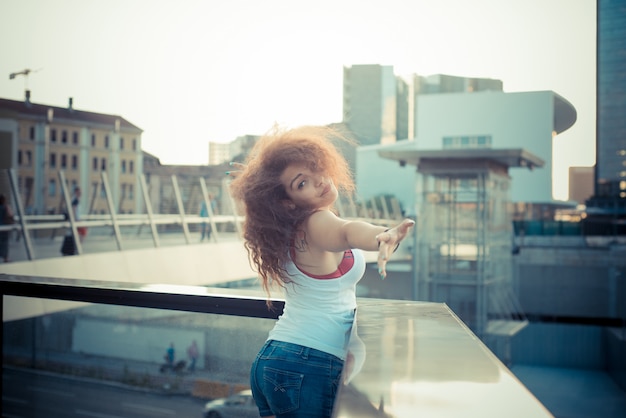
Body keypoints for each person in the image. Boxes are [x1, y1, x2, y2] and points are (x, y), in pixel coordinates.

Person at [229, 125, 414, 418]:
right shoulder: (317, 222)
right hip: (306, 363)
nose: (319, 181)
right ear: (287, 202)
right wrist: (383, 235)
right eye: (302, 183)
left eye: (316, 170)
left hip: (277, 359)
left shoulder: (292, 230)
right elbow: (348, 231)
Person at [0, 194, 15, 263]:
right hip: (4, 227)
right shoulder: (5, 207)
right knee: (4, 242)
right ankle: (5, 257)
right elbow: (11, 215)